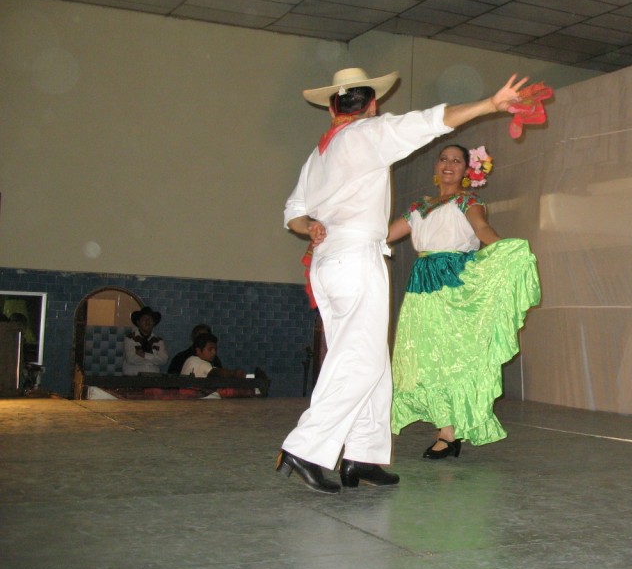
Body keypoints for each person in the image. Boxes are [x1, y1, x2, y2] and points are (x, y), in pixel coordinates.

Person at [276, 66, 529, 494]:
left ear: (333, 105)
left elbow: (293, 211)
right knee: (360, 358)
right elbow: (431, 121)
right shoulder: (366, 135)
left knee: (369, 358)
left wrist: (310, 226)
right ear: (372, 104)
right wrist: (489, 103)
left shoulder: (319, 153)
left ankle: (362, 455)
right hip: (355, 258)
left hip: (329, 260)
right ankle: (305, 446)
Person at [387, 145, 540, 458]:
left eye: (457, 161)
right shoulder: (419, 206)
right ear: (436, 165)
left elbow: (481, 229)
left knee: (452, 357)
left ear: (467, 171)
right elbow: (385, 235)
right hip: (421, 285)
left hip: (456, 282)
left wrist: (505, 252)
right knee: (420, 355)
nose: (449, 164)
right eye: (444, 158)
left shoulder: (469, 201)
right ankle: (435, 424)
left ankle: (449, 433)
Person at [122, 306, 168, 375]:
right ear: (138, 322)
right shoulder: (130, 338)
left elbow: (163, 360)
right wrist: (154, 359)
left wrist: (144, 355)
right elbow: (131, 359)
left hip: (153, 379)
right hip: (133, 379)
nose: (147, 321)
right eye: (144, 318)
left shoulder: (159, 341)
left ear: (153, 323)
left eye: (150, 319)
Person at [180, 332, 246, 379]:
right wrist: (233, 373)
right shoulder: (198, 362)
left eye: (215, 349)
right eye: (210, 349)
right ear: (198, 351)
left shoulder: (190, 359)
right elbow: (215, 372)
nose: (214, 352)